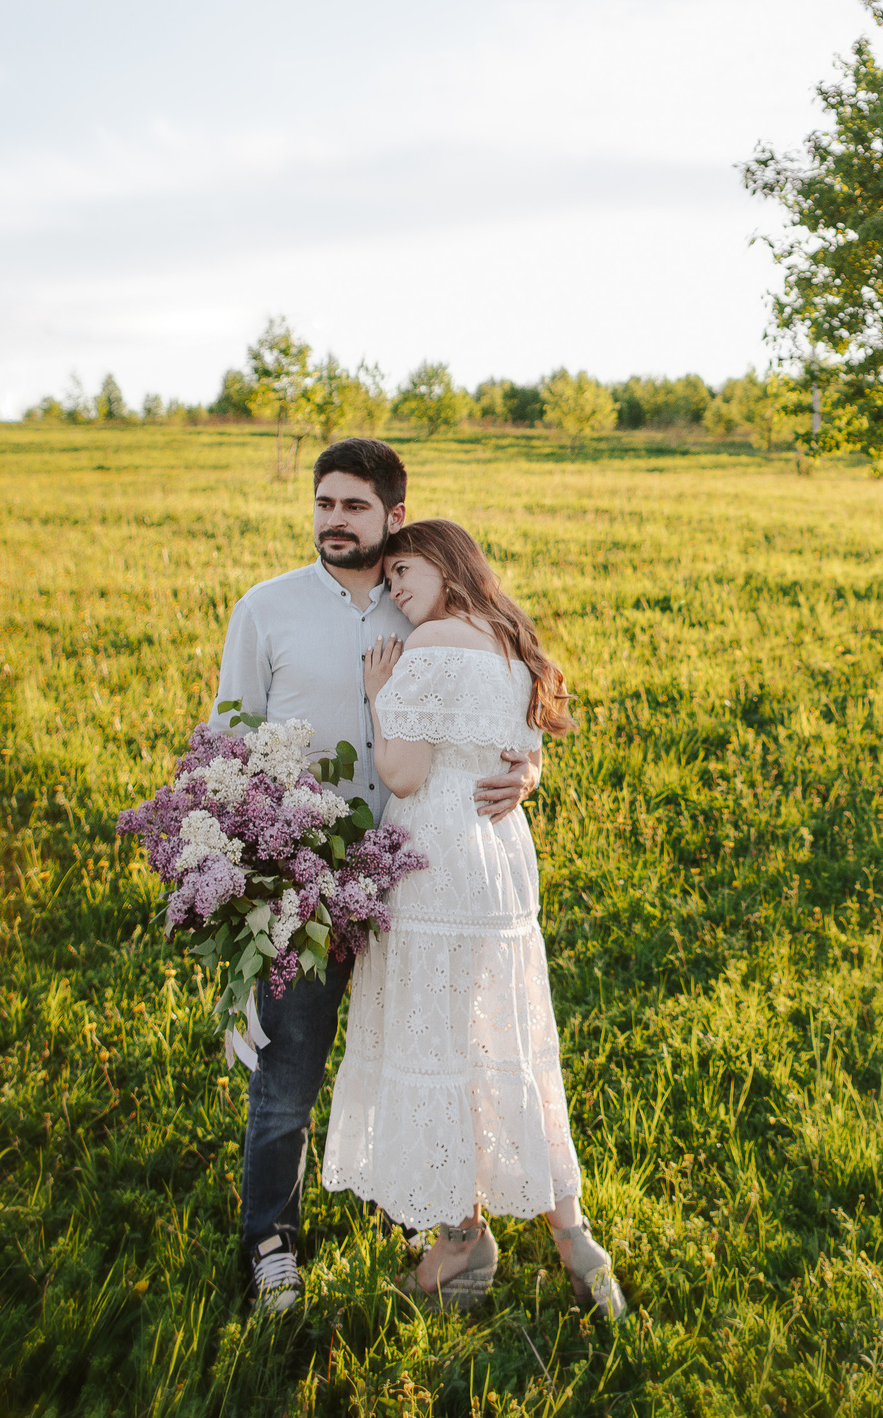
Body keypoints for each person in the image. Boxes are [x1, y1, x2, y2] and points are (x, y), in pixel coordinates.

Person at [211, 439, 539, 1315]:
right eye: (324, 502)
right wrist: (246, 881)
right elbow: (229, 741)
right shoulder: (266, 609)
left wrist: (528, 771)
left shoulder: (419, 601)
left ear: (395, 515)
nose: (334, 520)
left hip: (416, 882)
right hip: (305, 878)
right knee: (287, 1075)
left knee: (412, 1053)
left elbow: (502, 702)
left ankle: (421, 1214)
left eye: (354, 506)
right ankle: (272, 1241)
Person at [319, 518, 627, 1319]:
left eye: (406, 571)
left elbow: (404, 773)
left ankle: (460, 1238)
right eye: (389, 579)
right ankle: (574, 1236)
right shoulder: (511, 642)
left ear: (448, 564)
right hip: (501, 859)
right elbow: (523, 753)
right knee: (505, 1034)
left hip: (436, 860)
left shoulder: (427, 646)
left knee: (438, 1040)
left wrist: (382, 697)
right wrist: (527, 774)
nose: (395, 590)